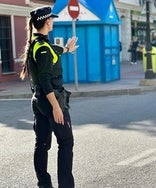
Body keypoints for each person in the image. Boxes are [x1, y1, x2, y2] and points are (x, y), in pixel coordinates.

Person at [20, 6, 78, 188]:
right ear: (47, 21)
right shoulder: (43, 48)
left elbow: (55, 51)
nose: (53, 21)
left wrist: (67, 49)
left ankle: (44, 184)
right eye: (51, 19)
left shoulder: (37, 44)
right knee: (66, 142)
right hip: (50, 99)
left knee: (42, 143)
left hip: (38, 101)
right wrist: (56, 107)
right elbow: (45, 80)